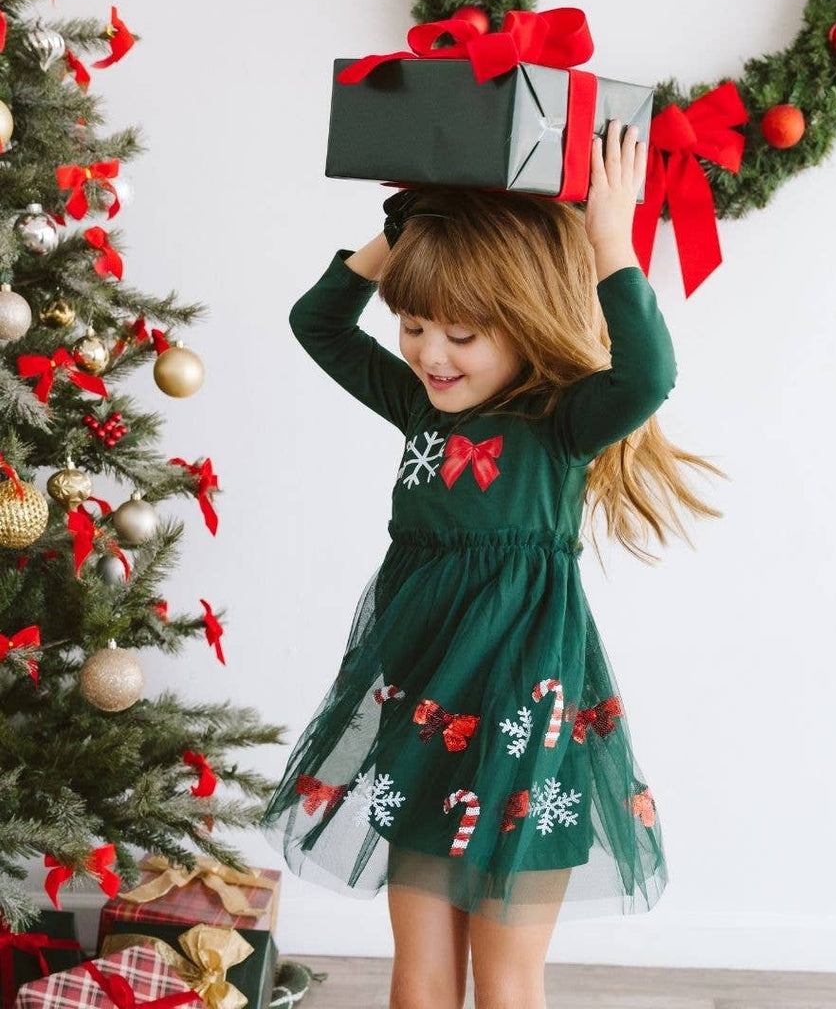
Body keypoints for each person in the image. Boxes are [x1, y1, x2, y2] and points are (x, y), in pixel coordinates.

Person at [260, 119, 727, 1008]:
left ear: (522, 322)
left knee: (508, 983)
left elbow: (648, 374)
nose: (431, 354)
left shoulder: (562, 425)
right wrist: (405, 233)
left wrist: (609, 247)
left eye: (462, 335)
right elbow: (315, 323)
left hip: (524, 734)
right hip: (427, 729)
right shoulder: (421, 411)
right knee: (420, 977)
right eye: (413, 325)